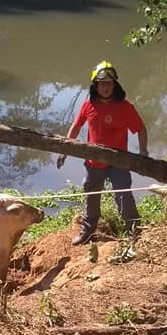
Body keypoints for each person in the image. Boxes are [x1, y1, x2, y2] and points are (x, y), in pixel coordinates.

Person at [57, 60, 148, 246]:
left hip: (118, 162)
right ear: (95, 85)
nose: (106, 87)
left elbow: (140, 129)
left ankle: (133, 229)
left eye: (109, 83)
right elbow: (76, 126)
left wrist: (143, 152)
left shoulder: (125, 107)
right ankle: (88, 228)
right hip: (94, 162)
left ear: (115, 85)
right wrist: (64, 150)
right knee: (91, 193)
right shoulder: (88, 105)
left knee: (123, 194)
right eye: (102, 84)